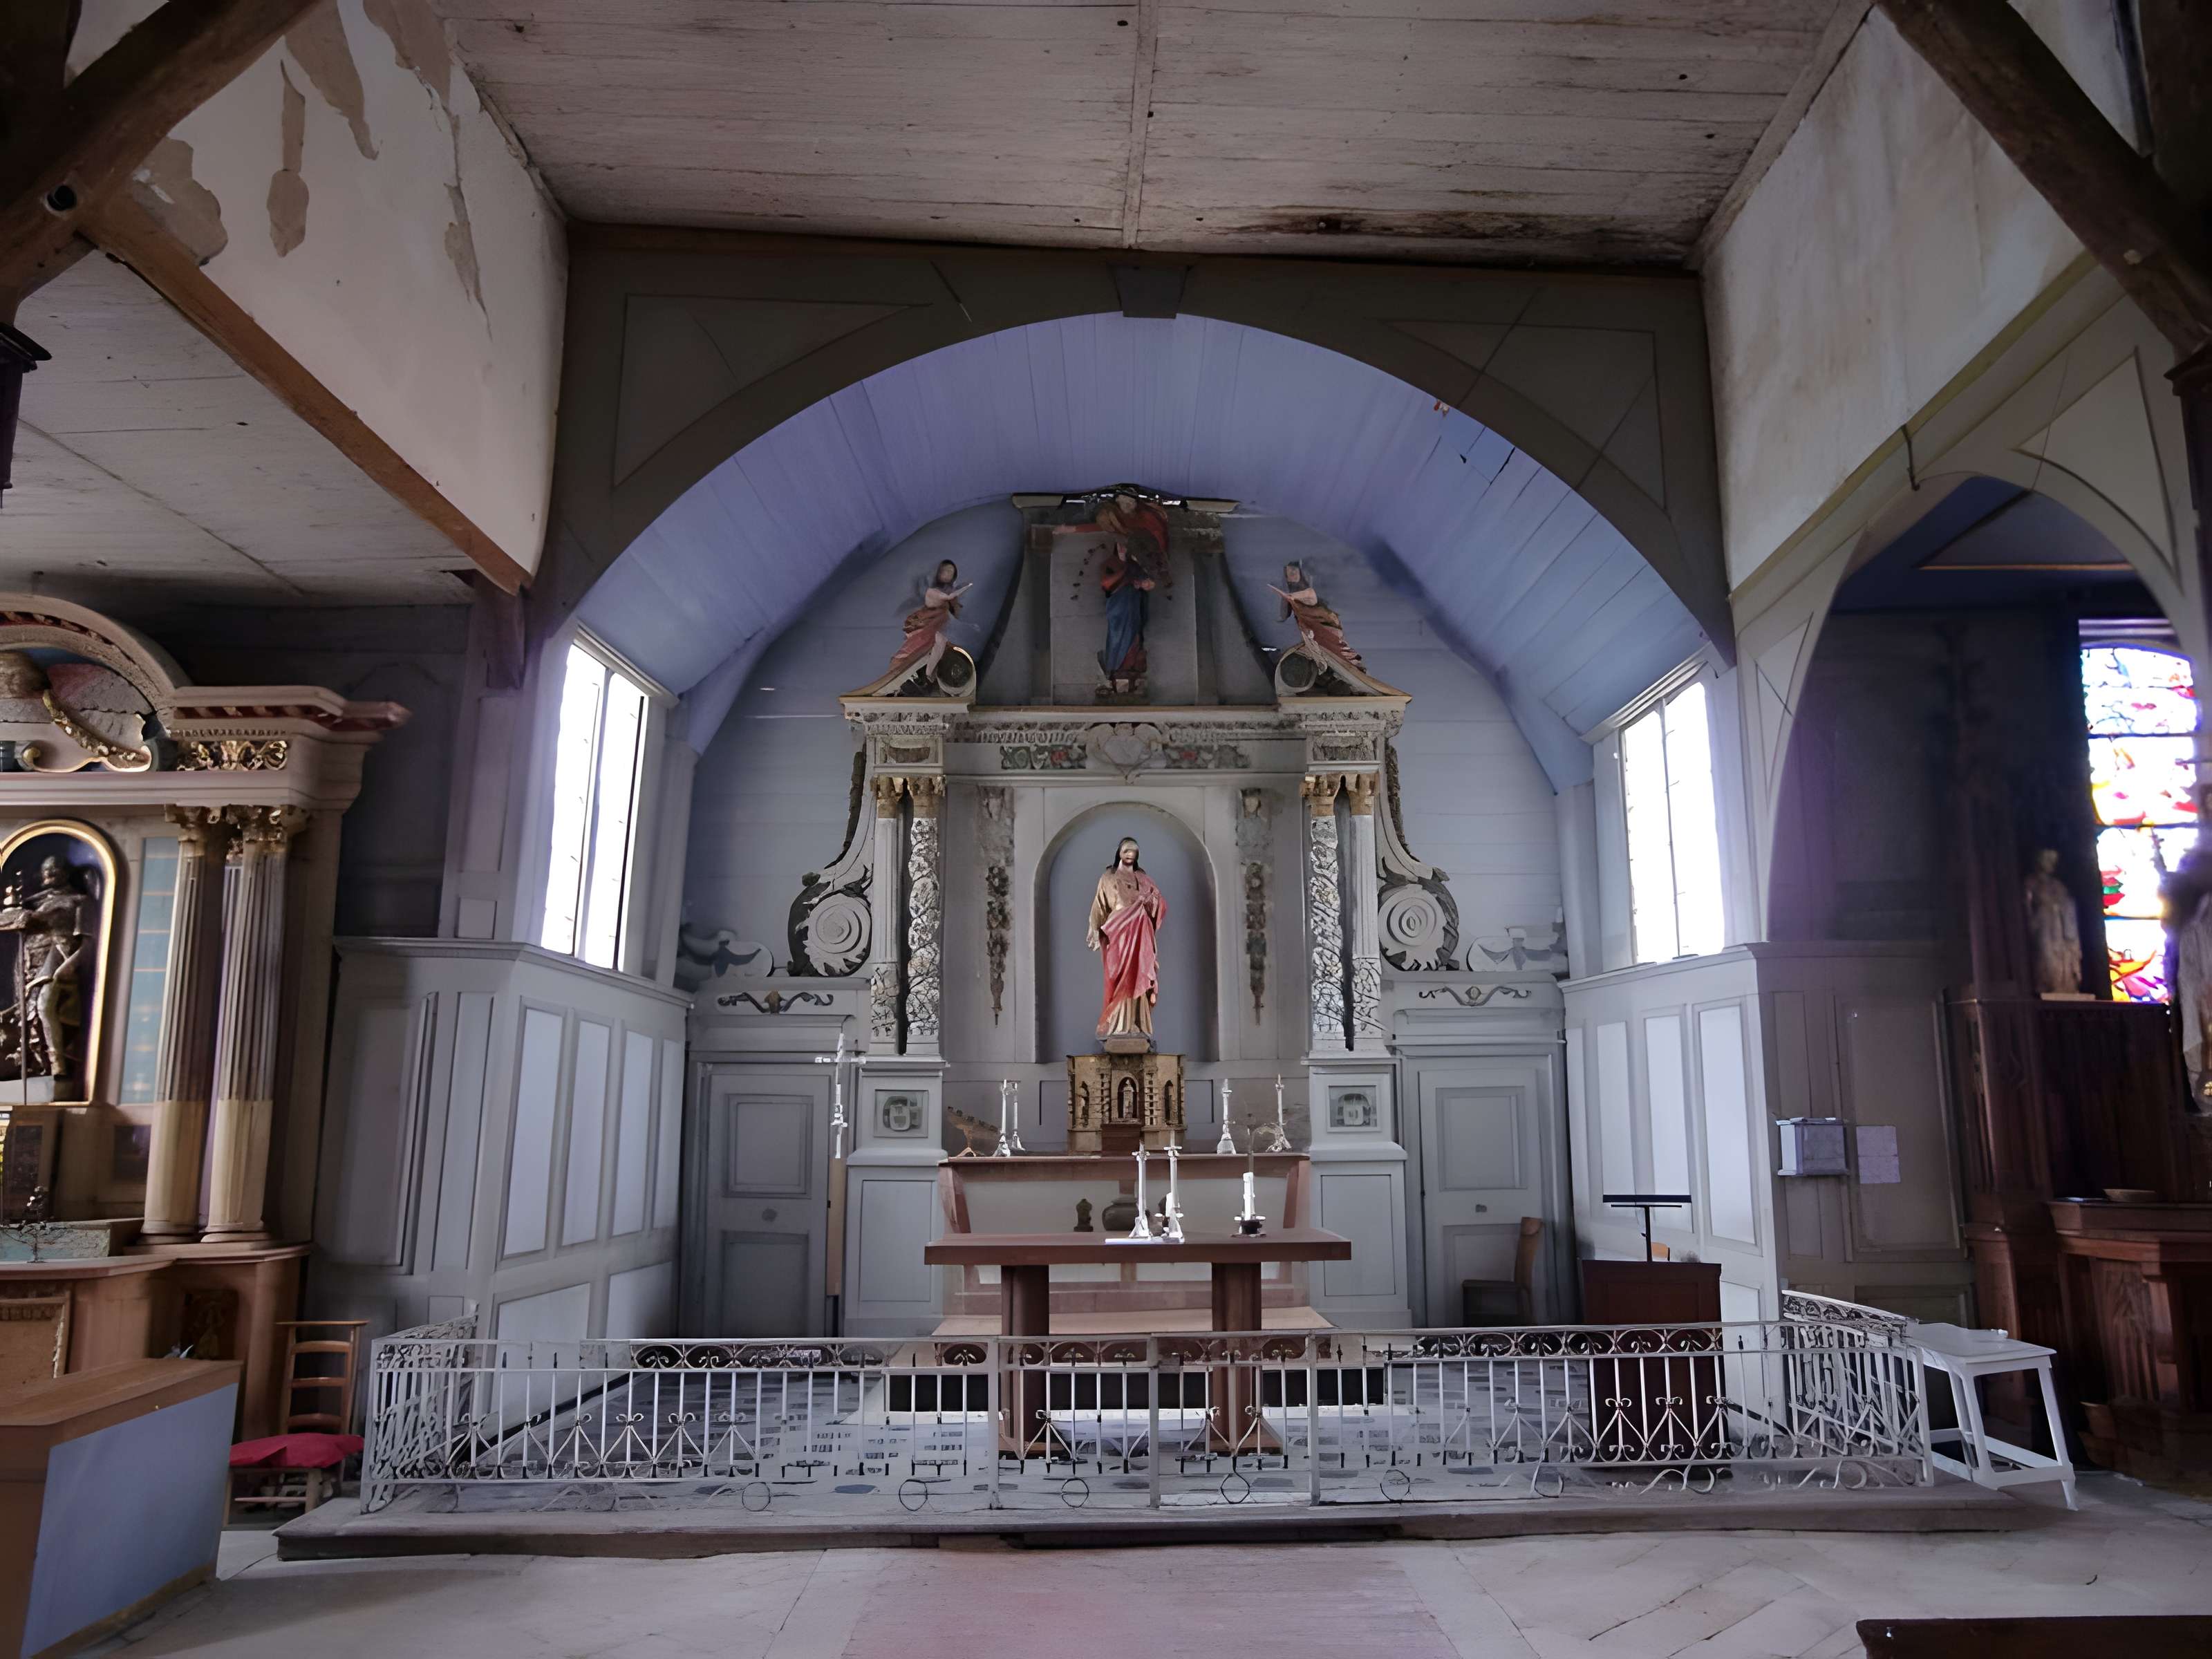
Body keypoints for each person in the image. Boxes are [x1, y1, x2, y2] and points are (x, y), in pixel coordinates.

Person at [1087, 836, 1168, 1042]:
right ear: (1120, 853)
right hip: (1119, 933)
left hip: (1140, 933)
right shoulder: (1109, 877)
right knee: (1118, 978)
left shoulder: (1144, 878)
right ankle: (1117, 1025)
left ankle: (1137, 1023)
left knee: (1139, 973)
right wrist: (1095, 929)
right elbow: (1099, 905)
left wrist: (1152, 900)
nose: (1130, 855)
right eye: (1127, 851)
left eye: (1134, 852)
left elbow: (1158, 904)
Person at [884, 559, 971, 682]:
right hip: (927, 623)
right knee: (916, 646)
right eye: (944, 571)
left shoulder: (951, 594)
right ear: (938, 573)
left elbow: (955, 612)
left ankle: (929, 674)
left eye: (950, 571)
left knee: (940, 644)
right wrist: (966, 587)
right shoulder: (933, 591)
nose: (947, 574)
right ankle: (921, 674)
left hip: (941, 625)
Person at [1268, 561, 1363, 669]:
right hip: (1313, 634)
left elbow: (1299, 595)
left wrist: (1288, 595)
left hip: (1327, 628)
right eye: (1288, 572)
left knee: (1342, 654)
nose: (1292, 573)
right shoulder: (1294, 599)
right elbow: (1285, 612)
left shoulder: (1310, 593)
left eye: (1294, 570)